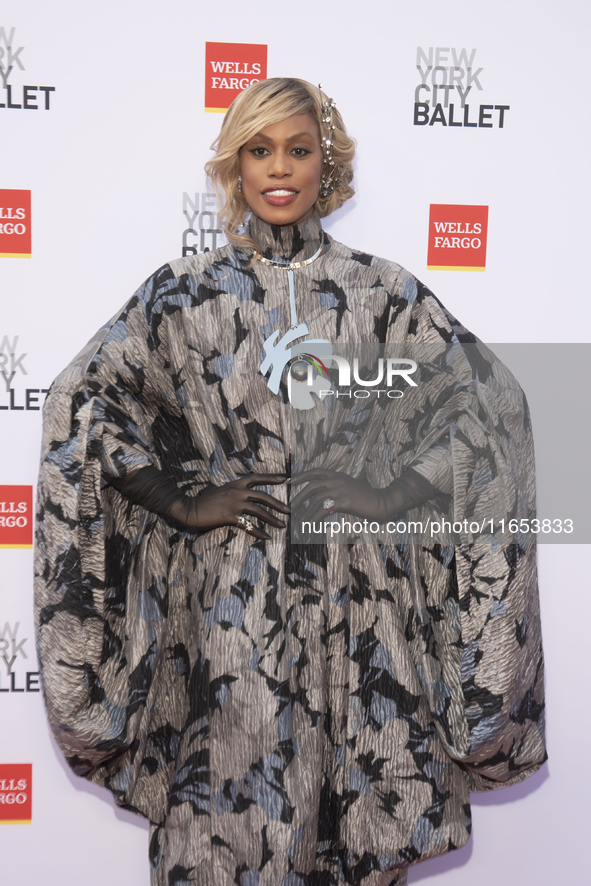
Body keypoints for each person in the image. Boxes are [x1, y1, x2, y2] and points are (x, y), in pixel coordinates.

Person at [35, 78, 546, 886]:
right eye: (259, 149)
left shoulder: (383, 295)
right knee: (231, 842)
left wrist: (387, 495)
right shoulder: (182, 294)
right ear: (234, 166)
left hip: (366, 606)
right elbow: (84, 400)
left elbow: (485, 404)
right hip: (231, 616)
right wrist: (183, 502)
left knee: (358, 844)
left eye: (298, 150)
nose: (280, 168)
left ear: (325, 163)